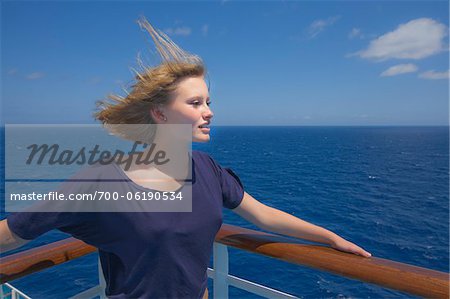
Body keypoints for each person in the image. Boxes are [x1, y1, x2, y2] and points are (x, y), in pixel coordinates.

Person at [0, 17, 371, 299]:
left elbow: (262, 215)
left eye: (209, 102)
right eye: (195, 103)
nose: (209, 111)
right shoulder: (103, 181)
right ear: (160, 114)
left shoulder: (207, 170)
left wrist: (330, 237)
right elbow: (15, 232)